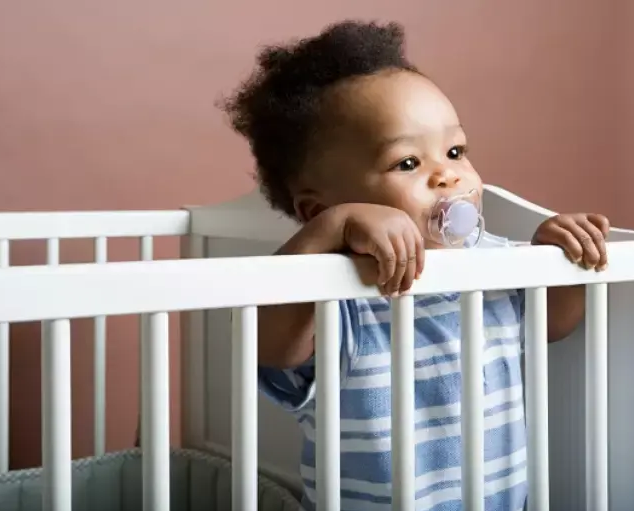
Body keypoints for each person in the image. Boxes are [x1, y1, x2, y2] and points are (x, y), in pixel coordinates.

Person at [220, 19, 610, 511]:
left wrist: (556, 258)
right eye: (407, 163)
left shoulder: (496, 263)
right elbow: (268, 341)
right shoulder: (337, 297)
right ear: (319, 210)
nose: (447, 175)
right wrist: (330, 233)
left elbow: (551, 324)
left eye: (455, 151)